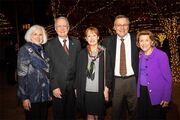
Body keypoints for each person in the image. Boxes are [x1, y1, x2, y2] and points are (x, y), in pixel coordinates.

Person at [102, 15, 138, 120]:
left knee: (135, 111)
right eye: (119, 25)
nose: (122, 27)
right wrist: (105, 85)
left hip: (133, 80)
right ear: (114, 27)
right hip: (116, 81)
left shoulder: (136, 40)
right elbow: (102, 63)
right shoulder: (107, 41)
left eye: (125, 24)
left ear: (129, 26)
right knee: (117, 112)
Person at [45, 16, 81, 120]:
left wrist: (77, 85)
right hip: (58, 87)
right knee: (59, 115)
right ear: (55, 29)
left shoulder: (76, 43)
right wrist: (54, 86)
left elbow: (79, 66)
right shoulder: (49, 45)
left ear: (69, 27)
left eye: (64, 26)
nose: (62, 29)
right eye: (59, 26)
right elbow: (48, 67)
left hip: (73, 87)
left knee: (72, 114)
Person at [75, 27, 113, 120]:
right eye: (89, 36)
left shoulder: (104, 52)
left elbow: (109, 72)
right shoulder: (82, 54)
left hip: (99, 90)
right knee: (89, 115)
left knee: (98, 115)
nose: (91, 38)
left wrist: (107, 88)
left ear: (98, 37)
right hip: (86, 90)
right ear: (86, 38)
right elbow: (78, 72)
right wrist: (76, 88)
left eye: (94, 35)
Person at [17, 25, 51, 120]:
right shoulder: (25, 50)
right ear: (30, 36)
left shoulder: (43, 51)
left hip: (44, 95)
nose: (38, 36)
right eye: (35, 34)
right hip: (32, 95)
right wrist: (24, 97)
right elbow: (21, 75)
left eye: (40, 34)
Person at [136, 30, 172, 120]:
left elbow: (167, 78)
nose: (144, 43)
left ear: (152, 41)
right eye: (141, 40)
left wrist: (166, 97)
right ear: (138, 42)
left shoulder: (161, 55)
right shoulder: (140, 55)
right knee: (143, 116)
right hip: (142, 92)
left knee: (156, 116)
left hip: (157, 93)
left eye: (146, 40)